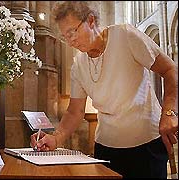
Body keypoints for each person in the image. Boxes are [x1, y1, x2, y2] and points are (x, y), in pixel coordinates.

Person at [30, 1, 178, 178]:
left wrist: (169, 112)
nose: (70, 42)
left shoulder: (125, 35)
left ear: (91, 20)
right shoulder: (79, 64)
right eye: (65, 37)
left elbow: (170, 70)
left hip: (146, 145)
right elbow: (74, 112)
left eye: (72, 32)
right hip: (106, 149)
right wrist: (56, 138)